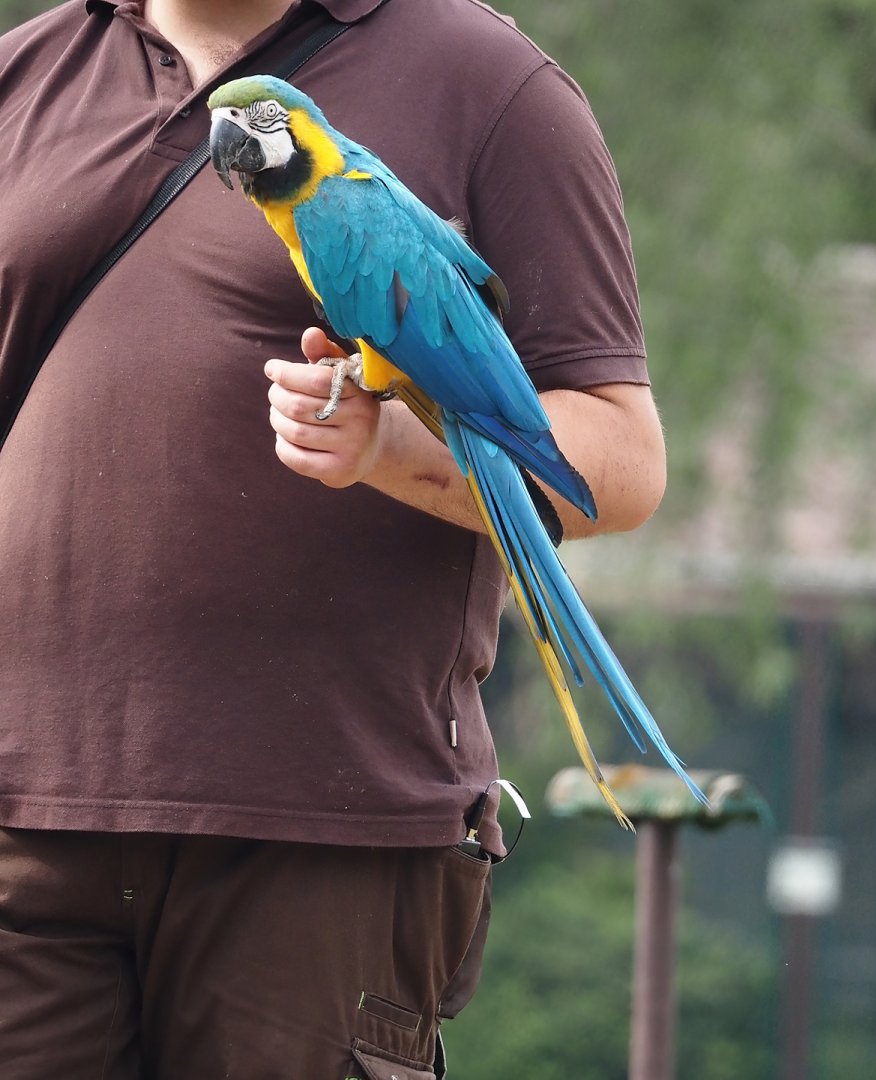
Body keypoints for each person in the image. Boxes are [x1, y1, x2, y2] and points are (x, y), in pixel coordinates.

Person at [0, 0, 667, 1076]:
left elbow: (623, 470)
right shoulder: (24, 74)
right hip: (23, 818)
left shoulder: (487, 83)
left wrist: (388, 449)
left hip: (327, 833)